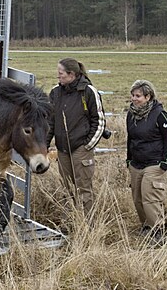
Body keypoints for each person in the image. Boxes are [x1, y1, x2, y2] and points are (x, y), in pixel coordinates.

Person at [46, 58, 106, 218]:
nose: (58, 76)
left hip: (81, 148)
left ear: (71, 74)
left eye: (60, 73)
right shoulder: (55, 93)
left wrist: (88, 146)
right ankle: (70, 222)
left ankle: (88, 225)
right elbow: (50, 122)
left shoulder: (88, 92)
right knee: (67, 189)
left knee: (83, 189)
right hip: (62, 150)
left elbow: (99, 121)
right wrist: (44, 144)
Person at [126, 79, 167, 245]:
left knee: (150, 198)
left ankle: (158, 230)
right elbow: (130, 138)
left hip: (154, 163)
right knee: (137, 198)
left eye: (138, 96)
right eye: (132, 95)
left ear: (148, 96)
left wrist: (165, 162)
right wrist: (129, 159)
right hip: (136, 163)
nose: (134, 98)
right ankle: (146, 226)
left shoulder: (160, 115)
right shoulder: (131, 115)